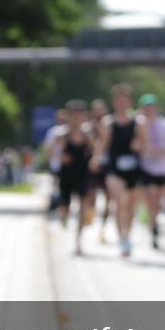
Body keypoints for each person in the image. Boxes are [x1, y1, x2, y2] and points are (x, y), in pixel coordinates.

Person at [92, 84, 146, 257]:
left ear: (130, 101)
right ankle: (121, 238)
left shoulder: (139, 122)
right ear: (114, 102)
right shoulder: (108, 123)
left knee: (130, 206)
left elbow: (145, 144)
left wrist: (139, 145)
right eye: (119, 99)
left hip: (134, 168)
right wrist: (96, 158)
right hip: (114, 169)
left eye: (125, 99)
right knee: (120, 202)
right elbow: (102, 144)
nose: (122, 103)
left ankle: (127, 235)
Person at [50, 100, 94, 254]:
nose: (76, 118)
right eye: (73, 114)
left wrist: (93, 159)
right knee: (65, 207)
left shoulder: (87, 134)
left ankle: (78, 242)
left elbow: (95, 150)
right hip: (66, 174)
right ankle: (63, 217)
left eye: (79, 114)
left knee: (82, 207)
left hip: (82, 173)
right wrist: (60, 158)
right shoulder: (62, 134)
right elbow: (50, 152)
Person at [137, 93, 165, 249]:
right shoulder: (139, 125)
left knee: (157, 201)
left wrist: (158, 151)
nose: (149, 110)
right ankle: (153, 228)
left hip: (162, 168)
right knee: (150, 197)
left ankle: (153, 222)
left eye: (151, 107)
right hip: (146, 168)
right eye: (146, 107)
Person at [88, 98, 112, 241]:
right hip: (94, 165)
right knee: (91, 197)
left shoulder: (111, 124)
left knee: (109, 199)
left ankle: (103, 229)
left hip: (108, 165)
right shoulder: (89, 127)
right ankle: (90, 219)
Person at [42, 108, 69, 215]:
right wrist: (48, 158)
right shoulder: (52, 132)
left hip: (66, 163)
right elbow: (48, 147)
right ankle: (56, 203)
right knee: (55, 185)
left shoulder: (69, 130)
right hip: (55, 163)